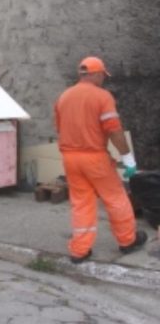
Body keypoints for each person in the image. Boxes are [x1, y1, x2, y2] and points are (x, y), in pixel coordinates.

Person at [54, 56, 147, 263]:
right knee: (115, 198)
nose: (104, 79)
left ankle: (80, 250)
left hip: (70, 158)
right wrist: (127, 157)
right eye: (103, 75)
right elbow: (114, 130)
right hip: (94, 158)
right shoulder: (102, 97)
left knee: (81, 203)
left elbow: (60, 128)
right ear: (96, 74)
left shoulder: (64, 97)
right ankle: (128, 241)